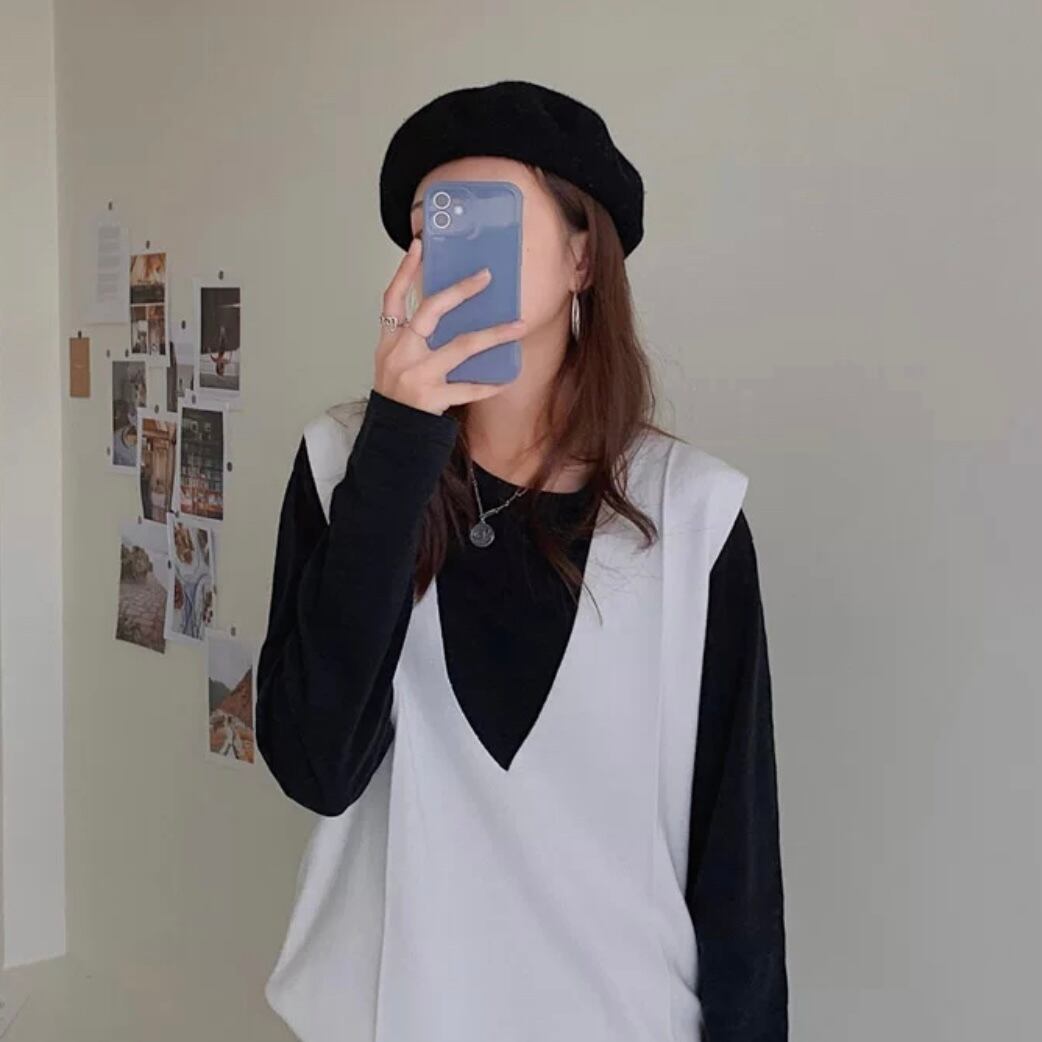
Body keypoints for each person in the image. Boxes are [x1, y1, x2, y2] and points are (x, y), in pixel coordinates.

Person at [257, 79, 787, 1042]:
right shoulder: (341, 467)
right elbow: (314, 767)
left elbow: (738, 865)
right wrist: (399, 445)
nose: (454, 252)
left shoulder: (694, 514)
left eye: (486, 217)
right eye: (432, 227)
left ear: (584, 255)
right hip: (387, 1017)